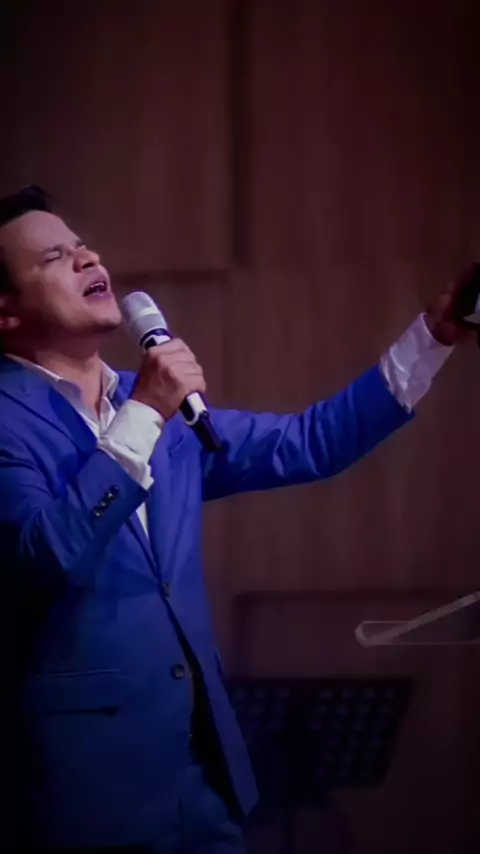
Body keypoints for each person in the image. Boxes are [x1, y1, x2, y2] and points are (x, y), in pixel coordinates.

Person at [0, 185, 475, 853]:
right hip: (83, 796)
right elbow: (47, 555)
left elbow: (313, 442)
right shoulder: (32, 419)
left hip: (202, 785)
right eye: (56, 256)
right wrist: (145, 414)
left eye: (84, 246)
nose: (88, 258)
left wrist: (433, 337)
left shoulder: (158, 410)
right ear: (7, 312)